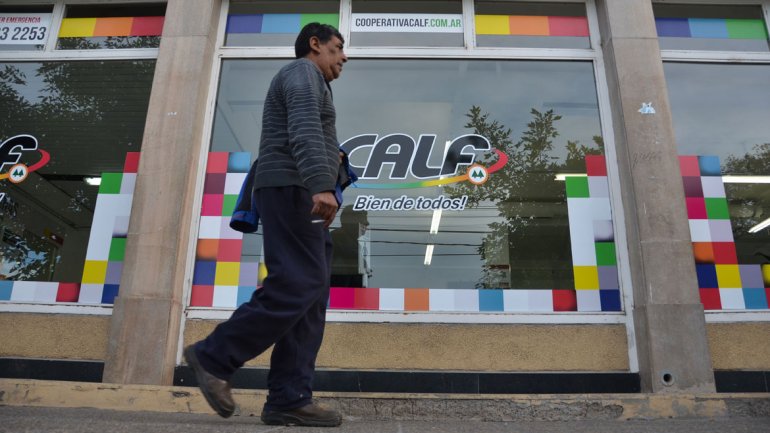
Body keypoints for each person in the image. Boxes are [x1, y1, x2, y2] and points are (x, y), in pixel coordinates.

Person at [184, 22, 348, 427]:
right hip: (294, 189)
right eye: (338, 47)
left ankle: (289, 398)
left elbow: (309, 131)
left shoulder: (311, 80)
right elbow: (305, 127)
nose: (344, 57)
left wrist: (335, 165)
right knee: (298, 281)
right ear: (315, 44)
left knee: (310, 296)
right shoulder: (302, 72)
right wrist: (321, 184)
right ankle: (213, 356)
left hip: (299, 189)